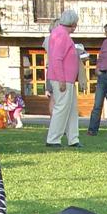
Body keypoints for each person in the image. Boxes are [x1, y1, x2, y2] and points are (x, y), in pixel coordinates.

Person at [44, 9, 80, 147]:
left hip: (67, 78)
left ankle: (73, 138)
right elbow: (57, 59)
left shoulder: (59, 33)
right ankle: (53, 139)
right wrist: (61, 80)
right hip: (63, 78)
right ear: (72, 23)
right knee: (62, 108)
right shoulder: (61, 35)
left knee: (71, 109)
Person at [87, 23, 107, 135]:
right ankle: (92, 129)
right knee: (97, 104)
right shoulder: (105, 43)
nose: (105, 34)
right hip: (103, 75)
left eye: (106, 32)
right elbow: (101, 57)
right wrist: (97, 69)